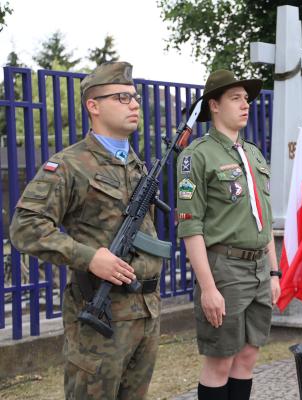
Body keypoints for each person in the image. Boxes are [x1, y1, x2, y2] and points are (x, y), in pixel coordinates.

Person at [9, 61, 162, 399]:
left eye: (134, 97)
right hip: (100, 316)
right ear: (93, 106)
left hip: (146, 310)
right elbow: (26, 227)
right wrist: (90, 258)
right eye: (122, 97)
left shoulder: (137, 165)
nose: (134, 104)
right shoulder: (69, 165)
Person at [176, 69, 281, 400]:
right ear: (215, 105)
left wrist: (275, 271)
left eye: (246, 99)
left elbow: (261, 219)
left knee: (248, 356)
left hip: (259, 269)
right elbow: (190, 227)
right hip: (225, 269)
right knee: (219, 362)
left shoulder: (253, 154)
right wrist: (208, 288)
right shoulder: (198, 155)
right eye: (235, 98)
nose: (245, 105)